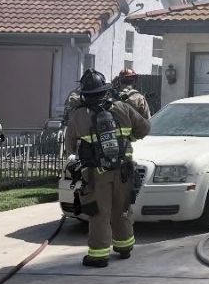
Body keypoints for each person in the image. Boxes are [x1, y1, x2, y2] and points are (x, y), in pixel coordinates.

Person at [64, 70, 149, 268]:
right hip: (124, 170)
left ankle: (99, 256)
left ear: (85, 93)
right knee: (122, 209)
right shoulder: (122, 107)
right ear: (105, 90)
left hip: (95, 175)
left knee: (99, 213)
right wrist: (128, 138)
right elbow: (144, 128)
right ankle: (125, 247)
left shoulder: (78, 115)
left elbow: (70, 146)